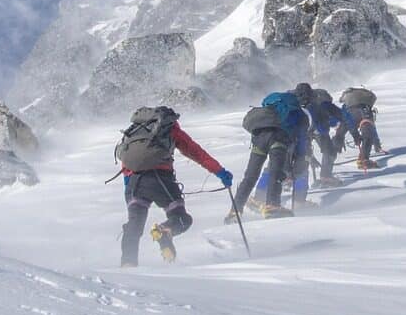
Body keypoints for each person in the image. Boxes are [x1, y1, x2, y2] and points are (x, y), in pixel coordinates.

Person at [116, 106, 232, 266]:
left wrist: (129, 189)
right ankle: (165, 230)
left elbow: (126, 162)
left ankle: (127, 265)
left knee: (134, 226)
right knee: (181, 218)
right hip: (160, 180)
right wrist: (220, 172)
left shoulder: (134, 131)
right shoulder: (169, 129)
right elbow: (197, 153)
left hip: (134, 183)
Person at [226, 91, 305, 221]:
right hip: (278, 137)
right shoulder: (298, 113)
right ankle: (272, 206)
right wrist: (300, 160)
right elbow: (301, 139)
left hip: (259, 137)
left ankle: (235, 211)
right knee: (276, 172)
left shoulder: (272, 103)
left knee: (250, 176)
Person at [339, 87, 380, 169]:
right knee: (368, 132)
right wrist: (376, 143)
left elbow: (344, 126)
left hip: (348, 113)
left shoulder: (346, 105)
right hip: (363, 113)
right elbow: (371, 129)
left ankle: (329, 156)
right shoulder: (366, 107)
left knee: (340, 133)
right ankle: (364, 159)